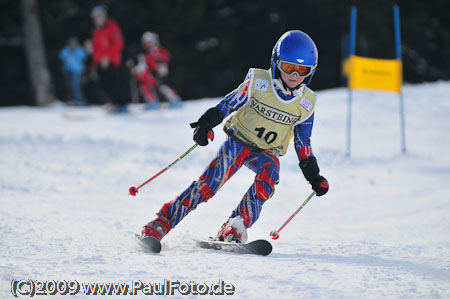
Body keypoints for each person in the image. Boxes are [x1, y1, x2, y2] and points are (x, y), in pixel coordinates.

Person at [140, 30, 329, 243]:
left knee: (269, 175)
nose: (294, 76)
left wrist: (314, 176)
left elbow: (303, 142)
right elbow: (230, 103)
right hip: (238, 142)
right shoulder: (259, 82)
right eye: (288, 68)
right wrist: (206, 123)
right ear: (276, 63)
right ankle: (161, 223)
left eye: (302, 70)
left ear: (310, 72)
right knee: (210, 183)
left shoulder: (306, 102)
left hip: (266, 151)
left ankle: (235, 226)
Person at [90, 5, 127, 113]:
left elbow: (118, 43)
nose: (98, 19)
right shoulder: (96, 31)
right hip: (101, 63)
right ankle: (114, 103)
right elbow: (97, 48)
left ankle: (122, 105)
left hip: (112, 61)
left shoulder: (112, 27)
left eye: (100, 16)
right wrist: (95, 63)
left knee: (114, 83)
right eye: (96, 17)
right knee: (105, 84)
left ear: (105, 16)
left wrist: (108, 57)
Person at [141, 31, 182, 109]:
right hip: (153, 74)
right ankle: (153, 102)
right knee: (146, 87)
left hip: (161, 73)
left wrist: (161, 62)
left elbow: (165, 56)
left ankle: (175, 100)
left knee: (164, 87)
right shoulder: (149, 53)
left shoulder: (158, 51)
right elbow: (148, 63)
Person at [59, 36, 87, 105]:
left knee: (75, 85)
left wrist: (75, 52)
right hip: (68, 71)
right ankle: (71, 99)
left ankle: (79, 100)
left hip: (77, 71)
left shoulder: (79, 50)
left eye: (74, 43)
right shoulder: (66, 50)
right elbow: (62, 56)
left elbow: (83, 56)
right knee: (69, 85)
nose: (72, 44)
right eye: (71, 43)